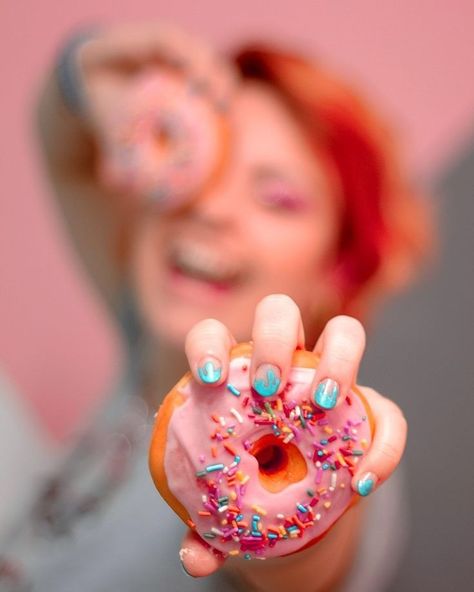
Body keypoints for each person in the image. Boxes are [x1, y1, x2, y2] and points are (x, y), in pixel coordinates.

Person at [3, 22, 430, 592]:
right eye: (205, 169)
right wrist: (93, 73)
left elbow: (305, 564)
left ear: (338, 268)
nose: (212, 209)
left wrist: (301, 508)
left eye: (276, 198)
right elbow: (67, 147)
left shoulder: (346, 464)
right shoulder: (147, 339)